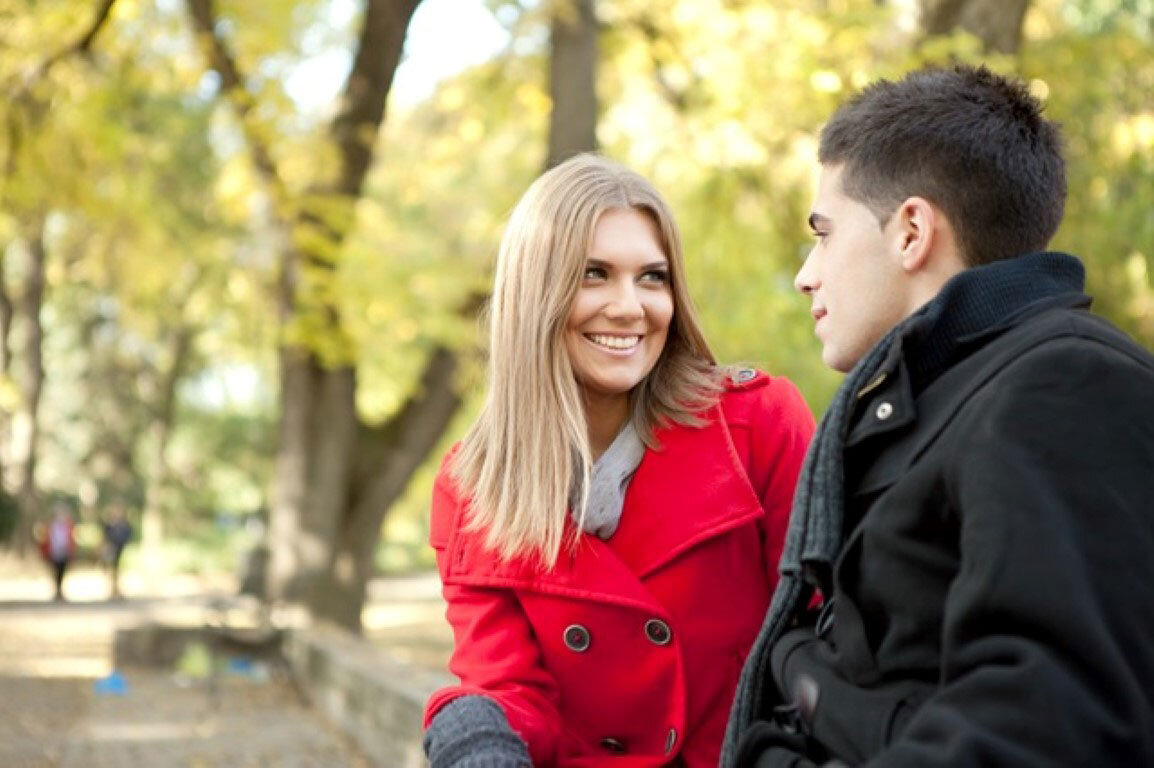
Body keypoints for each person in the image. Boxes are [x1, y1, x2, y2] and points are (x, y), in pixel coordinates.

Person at [722, 64, 1154, 767]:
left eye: (824, 234)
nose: (807, 273)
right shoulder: (949, 398)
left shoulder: (1066, 385)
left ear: (911, 231)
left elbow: (1046, 729)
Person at [422, 153, 815, 767]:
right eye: (594, 274)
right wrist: (474, 726)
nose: (630, 307)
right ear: (534, 294)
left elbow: (822, 634)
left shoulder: (756, 423)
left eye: (652, 277)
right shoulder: (471, 488)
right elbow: (514, 692)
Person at [39, 502, 76, 601]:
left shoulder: (68, 525)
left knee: (62, 571)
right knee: (55, 571)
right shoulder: (51, 525)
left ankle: (60, 591)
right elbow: (45, 538)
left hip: (64, 551)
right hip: (54, 552)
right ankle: (57, 591)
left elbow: (71, 538)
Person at [101, 504, 133, 599]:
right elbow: (106, 537)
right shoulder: (109, 526)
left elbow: (127, 535)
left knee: (117, 571)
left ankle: (117, 590)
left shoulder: (125, 525)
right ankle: (112, 590)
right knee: (111, 570)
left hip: (121, 551)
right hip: (112, 551)